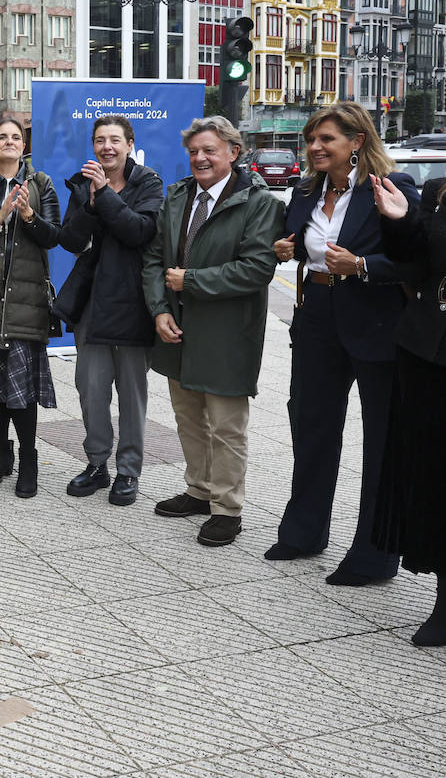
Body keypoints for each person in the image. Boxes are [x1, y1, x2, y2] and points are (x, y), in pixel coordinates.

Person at [265, 102, 418, 584]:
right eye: (311, 139)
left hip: (376, 322)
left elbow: (417, 261)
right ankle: (304, 532)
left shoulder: (390, 190)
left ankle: (374, 554)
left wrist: (364, 266)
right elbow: (293, 242)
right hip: (316, 319)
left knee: (381, 440)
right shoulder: (305, 192)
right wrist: (284, 249)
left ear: (356, 142)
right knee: (311, 425)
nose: (314, 148)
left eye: (326, 139)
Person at [142, 116, 283, 547]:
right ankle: (199, 491)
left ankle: (227, 508)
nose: (199, 159)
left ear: (233, 153)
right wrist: (159, 310)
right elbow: (154, 259)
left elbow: (258, 268)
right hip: (178, 329)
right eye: (194, 152)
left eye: (209, 151)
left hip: (226, 332)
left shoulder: (259, 203)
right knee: (188, 419)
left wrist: (193, 281)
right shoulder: (178, 195)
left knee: (226, 426)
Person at [54, 115, 163, 506]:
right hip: (93, 303)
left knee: (132, 394)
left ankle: (129, 471)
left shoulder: (147, 181)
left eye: (115, 140)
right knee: (90, 388)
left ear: (130, 144)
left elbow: (139, 231)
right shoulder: (84, 183)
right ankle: (97, 464)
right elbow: (70, 239)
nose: (107, 147)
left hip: (133, 302)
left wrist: (106, 195)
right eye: (100, 140)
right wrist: (91, 200)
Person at [0, 117, 62, 498]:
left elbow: (53, 237)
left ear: (24, 145)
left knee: (21, 388)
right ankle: (1, 454)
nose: (9, 142)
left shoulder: (40, 184)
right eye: (1, 136)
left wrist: (28, 217)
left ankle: (28, 459)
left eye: (15, 137)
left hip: (25, 300)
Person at [370, 164, 446, 645]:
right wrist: (399, 222)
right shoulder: (439, 193)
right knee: (434, 478)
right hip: (430, 354)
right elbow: (415, 268)